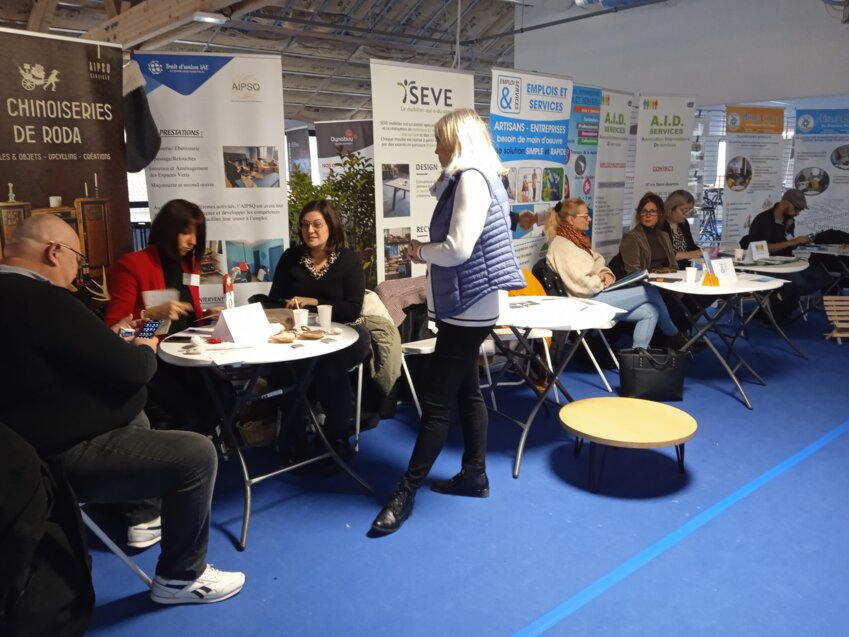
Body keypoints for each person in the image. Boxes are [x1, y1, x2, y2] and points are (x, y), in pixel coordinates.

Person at [0, 215, 245, 605]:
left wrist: (143, 325)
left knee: (151, 411)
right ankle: (180, 576)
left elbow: (96, 344)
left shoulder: (16, 297)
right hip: (54, 457)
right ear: (55, 252)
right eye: (78, 260)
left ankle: (143, 515)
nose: (77, 274)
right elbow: (134, 368)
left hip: (23, 454)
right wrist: (149, 334)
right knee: (198, 452)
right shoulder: (48, 299)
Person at [371, 108, 526, 535]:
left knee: (437, 404)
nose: (436, 149)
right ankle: (475, 474)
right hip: (472, 306)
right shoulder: (481, 177)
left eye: (439, 141)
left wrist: (420, 251)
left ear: (457, 140)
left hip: (467, 309)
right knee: (467, 391)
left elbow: (457, 249)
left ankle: (405, 492)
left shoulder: (471, 177)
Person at [106, 199, 223, 433]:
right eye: (185, 232)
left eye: (197, 234)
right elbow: (113, 334)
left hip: (188, 351)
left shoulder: (189, 265)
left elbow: (185, 317)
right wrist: (149, 314)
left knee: (224, 396)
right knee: (188, 414)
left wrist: (207, 316)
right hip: (153, 355)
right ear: (167, 230)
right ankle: (191, 449)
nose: (193, 241)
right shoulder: (134, 264)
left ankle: (202, 445)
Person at [266, 200, 370, 461]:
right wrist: (287, 305)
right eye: (304, 225)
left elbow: (352, 310)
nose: (309, 230)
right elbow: (275, 299)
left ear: (331, 226)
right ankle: (295, 433)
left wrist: (314, 302)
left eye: (316, 224)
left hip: (349, 331)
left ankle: (337, 437)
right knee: (286, 365)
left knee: (329, 363)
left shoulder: (349, 260)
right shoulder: (291, 258)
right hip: (302, 333)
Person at [544, 198, 686, 350]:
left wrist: (605, 273)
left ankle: (638, 357)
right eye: (585, 216)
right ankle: (674, 336)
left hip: (594, 295)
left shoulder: (575, 240)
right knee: (649, 291)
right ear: (571, 220)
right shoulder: (563, 246)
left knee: (651, 311)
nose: (589, 219)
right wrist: (600, 279)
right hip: (585, 302)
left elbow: (597, 260)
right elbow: (583, 286)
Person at [742, 188, 834, 322]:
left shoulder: (789, 221)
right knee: (797, 283)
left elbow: (787, 244)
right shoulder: (763, 220)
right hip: (767, 265)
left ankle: (780, 299)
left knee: (823, 277)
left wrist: (799, 243)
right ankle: (779, 308)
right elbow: (758, 250)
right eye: (796, 209)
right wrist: (792, 242)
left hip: (788, 262)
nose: (797, 213)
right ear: (785, 203)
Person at [619, 192, 679, 274]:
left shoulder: (664, 236)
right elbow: (633, 272)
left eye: (652, 211)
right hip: (645, 280)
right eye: (644, 211)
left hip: (666, 277)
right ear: (639, 214)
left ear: (660, 214)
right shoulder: (631, 238)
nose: (648, 215)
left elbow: (674, 265)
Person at [659, 190, 703, 269]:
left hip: (685, 269)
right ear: (671, 208)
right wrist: (691, 254)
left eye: (689, 210)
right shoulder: (660, 225)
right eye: (683, 210)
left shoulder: (684, 224)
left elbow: (691, 247)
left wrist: (704, 251)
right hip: (667, 270)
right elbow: (665, 256)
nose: (687, 214)